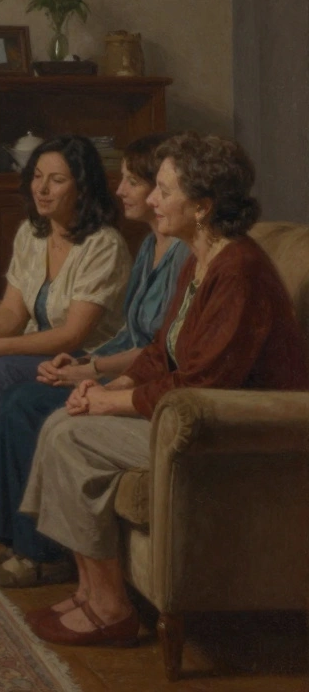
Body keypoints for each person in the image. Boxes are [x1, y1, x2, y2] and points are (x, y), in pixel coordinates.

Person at [20, 132, 308, 647]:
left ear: (202, 206)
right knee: (62, 422)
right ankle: (89, 591)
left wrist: (106, 400)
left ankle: (110, 609)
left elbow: (203, 381)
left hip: (226, 435)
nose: (151, 199)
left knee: (71, 436)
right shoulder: (202, 258)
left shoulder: (238, 269)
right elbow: (161, 350)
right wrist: (108, 385)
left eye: (165, 191)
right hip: (185, 415)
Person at [0, 134, 188, 587]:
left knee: (21, 402)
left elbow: (162, 350)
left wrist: (91, 372)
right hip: (117, 368)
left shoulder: (182, 256)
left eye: (135, 183)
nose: (123, 191)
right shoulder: (150, 248)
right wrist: (83, 365)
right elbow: (125, 336)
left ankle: (40, 554)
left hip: (139, 384)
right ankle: (14, 540)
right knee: (18, 392)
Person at [0, 135, 131, 545]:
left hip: (83, 357)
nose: (41, 189)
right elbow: (11, 312)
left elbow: (72, 333)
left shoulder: (103, 245)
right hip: (36, 346)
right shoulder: (31, 233)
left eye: (56, 180)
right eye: (37, 177)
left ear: (82, 186)